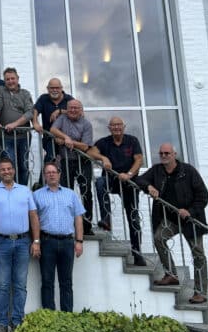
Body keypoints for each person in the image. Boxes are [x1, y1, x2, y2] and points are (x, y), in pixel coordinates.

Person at [136, 143, 208, 304]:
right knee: (159, 238)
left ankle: (200, 292)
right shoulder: (157, 170)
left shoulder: (188, 171)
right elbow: (139, 179)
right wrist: (149, 186)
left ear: (174, 154)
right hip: (170, 219)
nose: (164, 156)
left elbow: (203, 195)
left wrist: (190, 211)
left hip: (191, 220)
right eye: (161, 153)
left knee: (198, 255)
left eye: (167, 153)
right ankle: (171, 274)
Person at [0, 158, 40, 332]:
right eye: (3, 169)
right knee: (2, 284)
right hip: (1, 242)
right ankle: (1, 322)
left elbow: (33, 216)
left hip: (23, 242)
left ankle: (17, 321)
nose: (6, 172)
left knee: (20, 284)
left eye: (9, 169)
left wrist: (36, 241)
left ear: (14, 170)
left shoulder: (25, 190)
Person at [89, 117, 146, 266]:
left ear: (124, 126)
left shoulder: (132, 141)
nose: (116, 127)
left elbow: (139, 160)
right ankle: (106, 219)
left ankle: (137, 253)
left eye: (119, 125)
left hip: (128, 182)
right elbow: (90, 152)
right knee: (100, 182)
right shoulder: (104, 142)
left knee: (133, 219)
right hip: (112, 179)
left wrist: (129, 174)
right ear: (109, 128)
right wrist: (103, 158)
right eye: (113, 125)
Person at [33, 161, 85, 312]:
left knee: (66, 281)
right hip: (47, 241)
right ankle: (49, 315)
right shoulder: (36, 195)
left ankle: (67, 315)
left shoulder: (71, 194)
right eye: (48, 172)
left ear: (59, 174)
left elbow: (78, 218)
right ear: (44, 176)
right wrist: (36, 241)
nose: (51, 175)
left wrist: (79, 241)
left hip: (67, 242)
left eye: (54, 172)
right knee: (47, 281)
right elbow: (33, 219)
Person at [49, 99, 95, 235]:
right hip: (66, 161)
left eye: (76, 108)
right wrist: (66, 138)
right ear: (67, 109)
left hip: (83, 162)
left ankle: (87, 226)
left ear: (81, 110)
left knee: (86, 193)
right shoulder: (62, 118)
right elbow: (52, 129)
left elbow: (85, 146)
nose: (73, 110)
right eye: (71, 108)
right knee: (65, 193)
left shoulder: (86, 124)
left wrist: (66, 141)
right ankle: (67, 224)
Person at [0, 67, 34, 185]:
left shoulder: (25, 93)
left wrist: (15, 124)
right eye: (7, 79)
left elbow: (30, 112)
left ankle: (22, 190)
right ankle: (10, 189)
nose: (10, 81)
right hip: (6, 136)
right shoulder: (0, 90)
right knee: (10, 165)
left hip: (24, 136)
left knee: (24, 166)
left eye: (12, 78)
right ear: (4, 81)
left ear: (17, 79)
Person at [32, 78, 73, 161]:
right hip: (49, 137)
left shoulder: (69, 99)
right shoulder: (43, 98)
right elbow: (35, 110)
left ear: (61, 88)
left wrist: (60, 111)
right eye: (52, 88)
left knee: (67, 162)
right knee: (50, 159)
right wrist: (35, 122)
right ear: (48, 89)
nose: (54, 90)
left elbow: (78, 113)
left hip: (67, 138)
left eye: (57, 88)